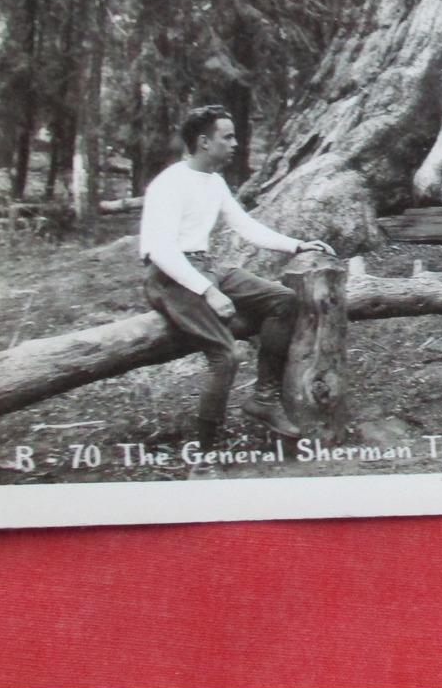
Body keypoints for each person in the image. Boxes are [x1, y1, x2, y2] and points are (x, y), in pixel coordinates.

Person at [139, 104, 334, 449]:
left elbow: (244, 225)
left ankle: (263, 398)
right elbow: (161, 252)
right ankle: (205, 451)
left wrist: (297, 246)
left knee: (284, 301)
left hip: (206, 265)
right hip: (170, 276)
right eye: (227, 137)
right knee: (225, 356)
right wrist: (208, 292)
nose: (235, 144)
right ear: (203, 142)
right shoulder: (169, 184)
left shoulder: (214, 182)